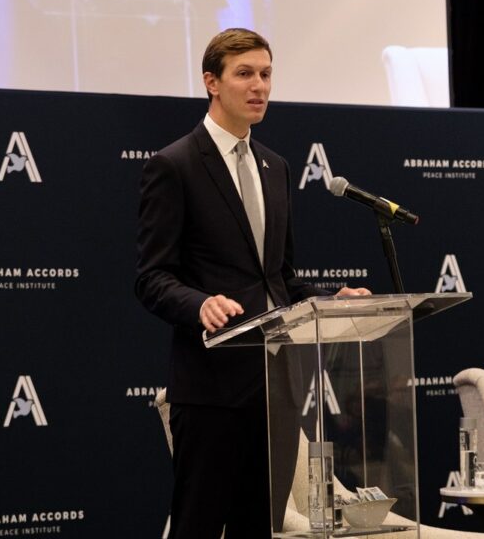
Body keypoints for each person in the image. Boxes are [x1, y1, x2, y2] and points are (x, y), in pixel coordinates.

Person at [135, 28, 369, 539]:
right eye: (245, 74)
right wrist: (198, 304)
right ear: (211, 83)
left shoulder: (276, 167)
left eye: (266, 74)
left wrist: (332, 303)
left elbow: (278, 279)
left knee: (258, 527)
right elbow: (151, 277)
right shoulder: (173, 165)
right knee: (196, 525)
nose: (259, 86)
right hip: (211, 386)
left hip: (276, 388)